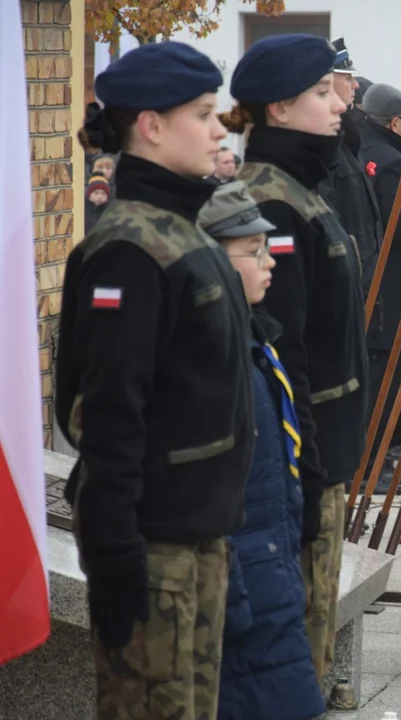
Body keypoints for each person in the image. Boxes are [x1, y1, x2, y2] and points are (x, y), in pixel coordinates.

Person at [55, 42, 254, 719]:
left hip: (195, 534)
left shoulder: (182, 231)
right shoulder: (130, 248)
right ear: (152, 125)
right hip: (152, 545)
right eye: (202, 113)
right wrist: (113, 555)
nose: (219, 128)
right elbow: (111, 408)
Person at [224, 33, 364, 684]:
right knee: (299, 641)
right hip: (301, 452)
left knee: (313, 633)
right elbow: (287, 348)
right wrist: (305, 469)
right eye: (319, 92)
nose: (338, 102)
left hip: (323, 445)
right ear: (278, 109)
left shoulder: (302, 185)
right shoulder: (273, 200)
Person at [198, 182, 326, 720]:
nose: (270, 262)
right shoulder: (214, 355)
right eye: (253, 252)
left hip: (270, 573)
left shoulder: (252, 341)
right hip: (246, 586)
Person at [359, 82, 401, 494]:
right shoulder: (390, 162)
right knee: (388, 374)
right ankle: (375, 460)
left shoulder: (364, 152)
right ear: (396, 123)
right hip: (395, 288)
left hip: (378, 288)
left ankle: (381, 456)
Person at [332, 37, 386, 293]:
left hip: (364, 288)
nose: (355, 84)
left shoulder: (347, 141)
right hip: (347, 290)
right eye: (347, 77)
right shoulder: (325, 148)